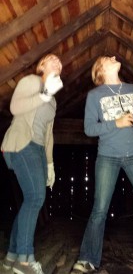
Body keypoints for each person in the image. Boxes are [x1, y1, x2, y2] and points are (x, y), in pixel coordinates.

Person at [71, 56, 133, 274]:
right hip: (107, 156)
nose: (114, 57)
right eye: (108, 58)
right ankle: (88, 259)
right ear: (100, 71)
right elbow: (89, 129)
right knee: (100, 209)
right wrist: (116, 122)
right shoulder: (95, 96)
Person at [1, 53, 63, 274]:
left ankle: (11, 256)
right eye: (52, 59)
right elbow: (15, 108)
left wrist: (50, 164)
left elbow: (48, 135)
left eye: (60, 61)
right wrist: (43, 94)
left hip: (36, 149)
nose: (58, 61)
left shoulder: (53, 101)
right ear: (41, 65)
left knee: (31, 199)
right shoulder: (32, 82)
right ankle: (24, 261)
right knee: (35, 198)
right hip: (20, 143)